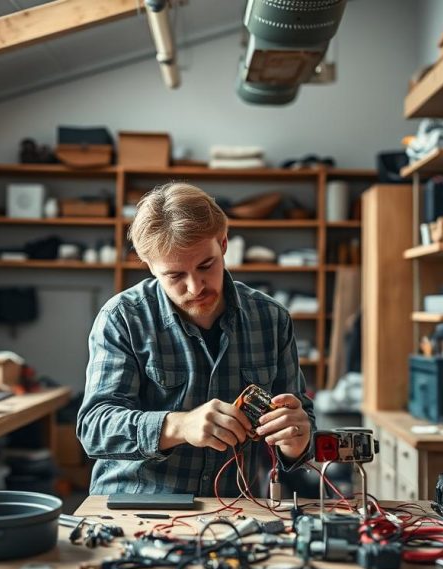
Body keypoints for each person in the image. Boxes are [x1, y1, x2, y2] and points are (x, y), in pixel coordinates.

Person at [77, 182, 315, 496]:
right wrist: (178, 426)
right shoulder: (122, 317)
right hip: (133, 504)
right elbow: (95, 428)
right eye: (175, 275)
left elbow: (302, 431)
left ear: (224, 243)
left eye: (206, 265)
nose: (195, 287)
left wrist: (298, 441)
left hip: (233, 508)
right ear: (149, 265)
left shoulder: (271, 319)